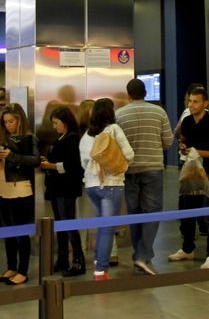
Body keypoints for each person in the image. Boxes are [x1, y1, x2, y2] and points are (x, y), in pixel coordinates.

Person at [116, 77, 172, 275]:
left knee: (135, 212)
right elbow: (168, 141)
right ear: (146, 93)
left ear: (128, 94)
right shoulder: (159, 112)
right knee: (153, 212)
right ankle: (142, 255)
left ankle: (139, 254)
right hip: (153, 168)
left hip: (130, 170)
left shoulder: (120, 114)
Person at [169, 86, 209, 268]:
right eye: (189, 101)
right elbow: (184, 141)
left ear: (205, 103)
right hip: (189, 171)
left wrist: (199, 152)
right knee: (186, 212)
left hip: (207, 173)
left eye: (195, 101)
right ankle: (187, 248)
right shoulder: (186, 122)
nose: (191, 105)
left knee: (208, 215)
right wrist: (184, 149)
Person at [80, 98, 135, 280]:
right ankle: (101, 270)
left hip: (91, 186)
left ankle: (98, 262)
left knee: (101, 225)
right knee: (107, 228)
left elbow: (85, 162)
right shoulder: (114, 129)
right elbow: (129, 154)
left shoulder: (87, 135)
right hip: (111, 185)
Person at [0, 103, 39, 285]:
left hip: (20, 187)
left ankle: (23, 270)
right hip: (1, 186)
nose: (8, 125)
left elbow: (35, 160)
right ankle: (11, 266)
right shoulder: (2, 138)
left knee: (21, 231)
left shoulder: (29, 138)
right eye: (5, 122)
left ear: (19, 120)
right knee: (8, 231)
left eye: (11, 121)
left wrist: (12, 156)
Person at [40, 105, 85, 276]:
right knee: (60, 224)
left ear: (65, 122)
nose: (54, 126)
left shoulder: (72, 139)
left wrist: (49, 165)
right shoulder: (61, 138)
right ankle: (63, 259)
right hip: (57, 187)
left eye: (56, 123)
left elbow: (72, 166)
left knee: (68, 223)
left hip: (66, 188)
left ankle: (78, 260)